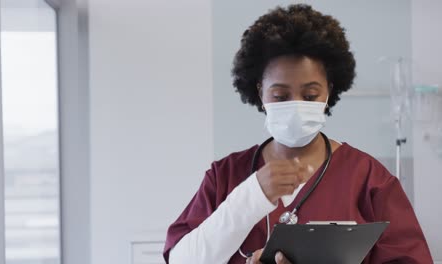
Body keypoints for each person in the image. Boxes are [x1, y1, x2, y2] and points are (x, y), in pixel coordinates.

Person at [163, 4, 433, 264]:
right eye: (280, 95)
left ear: (329, 91)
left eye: (310, 95)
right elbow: (181, 259)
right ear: (260, 92)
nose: (295, 106)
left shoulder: (369, 179)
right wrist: (251, 197)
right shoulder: (225, 177)